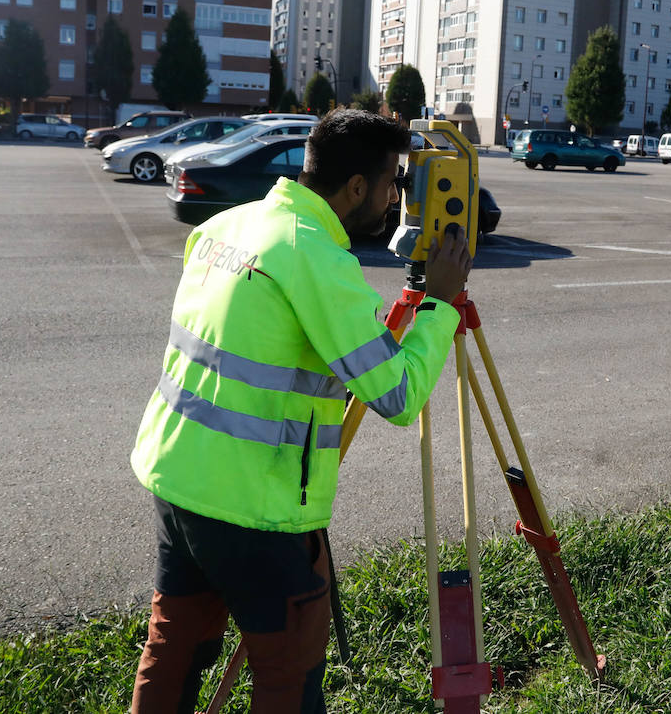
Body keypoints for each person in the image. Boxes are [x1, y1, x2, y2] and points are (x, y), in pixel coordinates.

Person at [128, 110, 473, 714]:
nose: (397, 197)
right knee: (289, 676)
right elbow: (396, 395)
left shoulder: (228, 225)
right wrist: (439, 305)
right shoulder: (314, 257)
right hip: (252, 510)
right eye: (394, 181)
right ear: (357, 187)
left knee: (175, 648)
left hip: (177, 478)